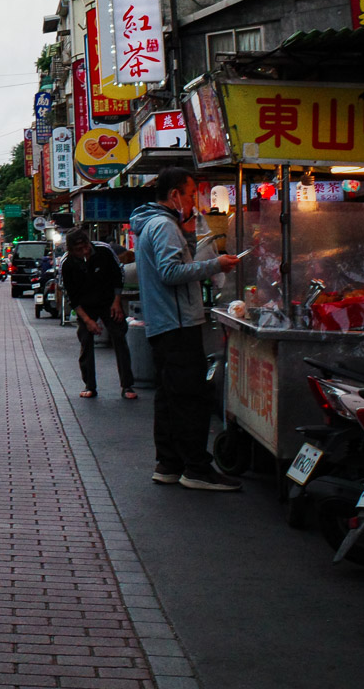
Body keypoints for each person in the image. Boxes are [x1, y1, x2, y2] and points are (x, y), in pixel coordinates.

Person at [129, 167, 240, 492]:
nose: (193, 201)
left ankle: (169, 463)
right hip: (177, 324)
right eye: (191, 194)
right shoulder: (163, 225)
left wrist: (189, 235)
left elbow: (174, 262)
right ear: (174, 194)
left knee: (170, 396)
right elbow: (170, 271)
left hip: (163, 324)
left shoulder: (154, 223)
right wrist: (216, 264)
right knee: (190, 397)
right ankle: (196, 468)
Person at [61, 229, 136, 400]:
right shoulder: (67, 263)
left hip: (109, 300)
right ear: (72, 251)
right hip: (85, 305)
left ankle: (127, 384)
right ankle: (89, 385)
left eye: (86, 247)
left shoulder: (104, 251)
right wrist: (87, 320)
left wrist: (117, 302)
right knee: (86, 340)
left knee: (119, 338)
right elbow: (71, 296)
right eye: (79, 250)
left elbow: (118, 275)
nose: (84, 252)